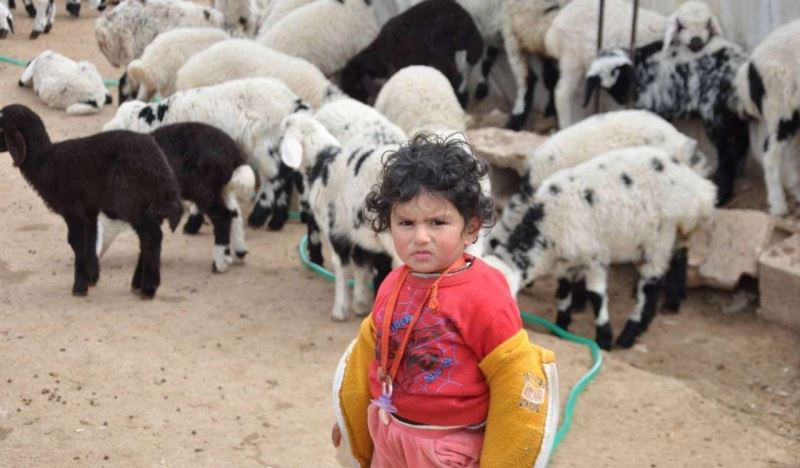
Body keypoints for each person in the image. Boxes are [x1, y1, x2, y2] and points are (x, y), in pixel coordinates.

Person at [331, 134, 559, 467]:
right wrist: (349, 422)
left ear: (471, 229)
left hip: (448, 448)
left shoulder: (484, 291)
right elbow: (370, 356)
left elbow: (513, 375)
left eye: (438, 222)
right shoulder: (393, 282)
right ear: (388, 224)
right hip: (388, 433)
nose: (420, 237)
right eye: (406, 222)